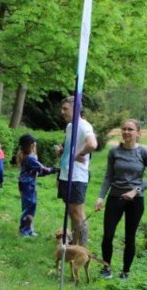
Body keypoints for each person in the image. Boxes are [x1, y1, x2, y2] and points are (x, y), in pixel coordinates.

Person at [95, 119, 147, 280]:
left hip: (135, 201)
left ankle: (125, 272)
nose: (126, 132)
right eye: (123, 129)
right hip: (115, 198)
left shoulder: (144, 153)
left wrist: (136, 191)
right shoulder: (114, 152)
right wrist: (101, 197)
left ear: (138, 133)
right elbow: (108, 177)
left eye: (130, 129)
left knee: (129, 237)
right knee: (108, 235)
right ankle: (107, 268)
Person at [57, 96, 97, 246]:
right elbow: (72, 147)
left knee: (78, 214)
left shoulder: (83, 125)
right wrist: (64, 152)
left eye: (65, 109)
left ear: (76, 109)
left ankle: (82, 249)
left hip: (77, 177)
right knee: (71, 212)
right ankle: (75, 243)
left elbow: (92, 144)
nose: (62, 112)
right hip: (66, 175)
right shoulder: (70, 126)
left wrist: (80, 154)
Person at [16, 133, 58, 237]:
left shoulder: (28, 157)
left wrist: (50, 171)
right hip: (27, 186)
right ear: (30, 146)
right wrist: (54, 169)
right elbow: (43, 169)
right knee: (29, 207)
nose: (35, 147)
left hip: (28, 184)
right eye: (34, 145)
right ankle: (24, 230)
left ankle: (29, 229)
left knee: (30, 206)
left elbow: (39, 172)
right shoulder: (30, 158)